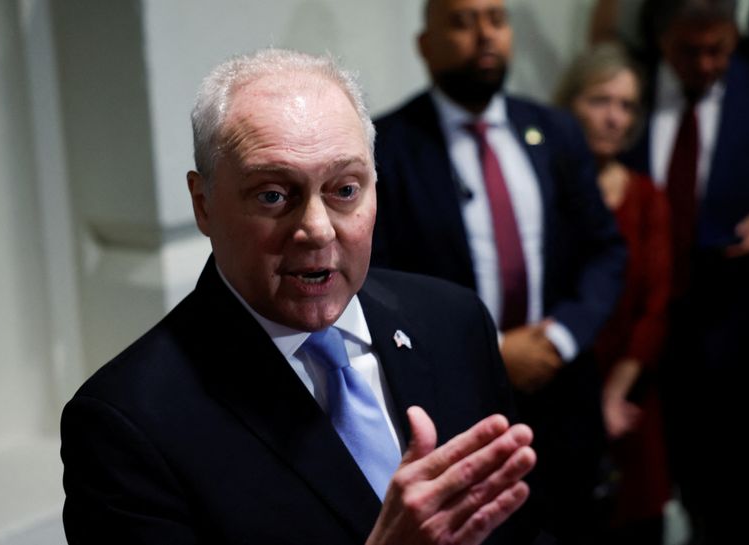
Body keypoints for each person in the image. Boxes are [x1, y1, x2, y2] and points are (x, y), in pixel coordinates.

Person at [60, 48, 541, 545]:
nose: (315, 229)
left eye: (345, 189)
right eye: (273, 195)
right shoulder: (126, 424)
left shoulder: (453, 321)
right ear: (203, 205)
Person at [371, 1, 626, 542]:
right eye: (463, 22)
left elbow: (605, 252)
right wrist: (493, 350)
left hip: (563, 394)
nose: (485, 35)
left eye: (496, 19)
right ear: (425, 44)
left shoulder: (554, 132)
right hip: (459, 408)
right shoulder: (388, 148)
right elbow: (380, 286)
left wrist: (559, 337)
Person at [620, 1, 749, 542]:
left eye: (719, 50)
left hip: (738, 345)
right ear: (662, 40)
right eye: (690, 50)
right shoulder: (623, 91)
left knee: (732, 510)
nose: (706, 64)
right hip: (635, 345)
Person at [554, 43, 672, 545]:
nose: (614, 118)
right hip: (557, 395)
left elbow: (657, 302)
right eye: (601, 101)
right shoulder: (546, 188)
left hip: (630, 401)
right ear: (569, 105)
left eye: (627, 106)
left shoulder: (647, 196)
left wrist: (614, 394)